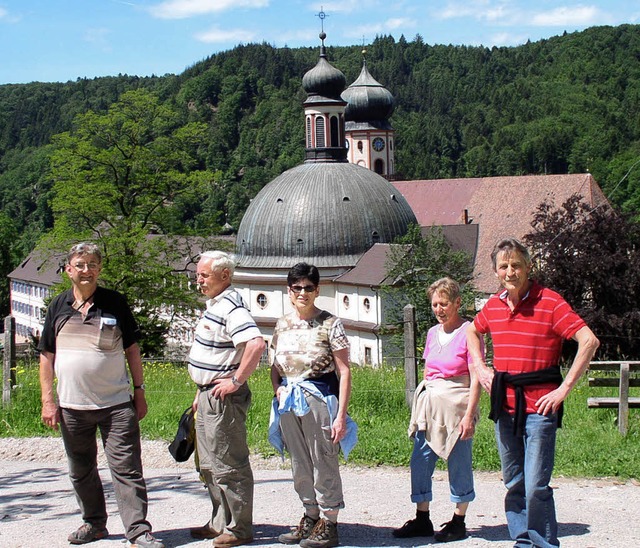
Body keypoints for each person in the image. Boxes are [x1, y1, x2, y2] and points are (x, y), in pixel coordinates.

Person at [467, 238, 600, 548]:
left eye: (516, 265)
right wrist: (480, 367)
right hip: (506, 406)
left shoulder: (550, 302)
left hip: (540, 407)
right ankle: (524, 540)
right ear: (496, 272)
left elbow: (589, 341)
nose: (510, 271)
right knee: (513, 481)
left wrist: (564, 389)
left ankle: (544, 543)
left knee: (536, 485)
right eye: (504, 266)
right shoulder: (494, 304)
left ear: (528, 267)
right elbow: (472, 330)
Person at [38, 242, 164, 548]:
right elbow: (46, 356)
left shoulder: (114, 303)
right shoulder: (58, 305)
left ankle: (137, 531)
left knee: (127, 469)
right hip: (71, 405)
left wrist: (139, 391)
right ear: (68, 270)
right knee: (81, 470)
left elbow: (132, 350)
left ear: (100, 269)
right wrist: (48, 400)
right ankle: (93, 524)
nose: (86, 270)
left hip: (116, 404)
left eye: (92, 264)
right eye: (80, 265)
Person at [269, 263, 357, 548]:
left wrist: (341, 416)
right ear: (289, 291)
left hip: (319, 399)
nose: (303, 293)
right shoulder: (282, 324)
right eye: (297, 288)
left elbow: (344, 371)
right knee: (299, 461)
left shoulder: (331, 324)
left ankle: (329, 522)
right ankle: (310, 515)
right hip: (289, 402)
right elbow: (274, 367)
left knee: (323, 460)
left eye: (309, 287)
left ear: (317, 290)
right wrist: (278, 391)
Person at [393, 277, 482, 543]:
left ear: (457, 303)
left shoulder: (470, 332)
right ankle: (422, 517)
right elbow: (429, 370)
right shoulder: (432, 333)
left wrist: (470, 415)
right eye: (434, 305)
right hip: (429, 407)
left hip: (457, 407)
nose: (439, 309)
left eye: (444, 304)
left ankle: (459, 520)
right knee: (420, 460)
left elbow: (476, 376)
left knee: (459, 462)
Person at [187, 250, 265, 548]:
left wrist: (236, 380)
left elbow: (255, 344)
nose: (199, 281)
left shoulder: (232, 306)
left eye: (204, 275)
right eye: (198, 275)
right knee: (208, 463)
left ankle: (239, 528)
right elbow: (215, 355)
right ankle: (220, 521)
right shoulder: (215, 305)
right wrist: (200, 390)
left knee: (228, 462)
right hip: (208, 395)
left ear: (224, 276)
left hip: (223, 400)